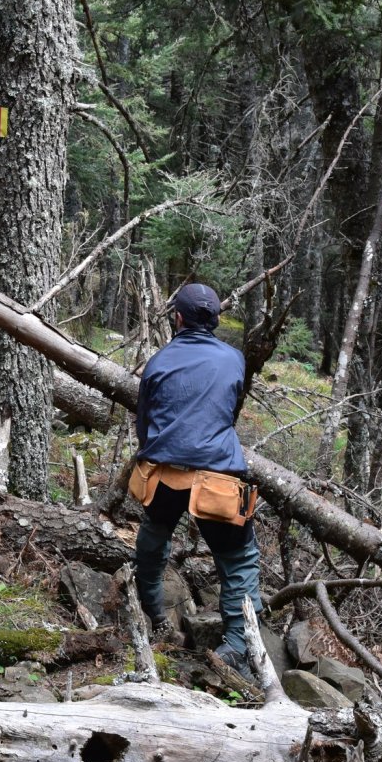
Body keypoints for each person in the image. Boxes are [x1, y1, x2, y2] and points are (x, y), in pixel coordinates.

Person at [130, 282, 261, 678]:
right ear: (216, 320)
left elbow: (144, 424)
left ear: (178, 318)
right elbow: (229, 409)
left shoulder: (158, 362)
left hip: (165, 474)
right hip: (220, 476)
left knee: (154, 536)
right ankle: (238, 646)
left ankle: (152, 613)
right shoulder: (235, 359)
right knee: (238, 560)